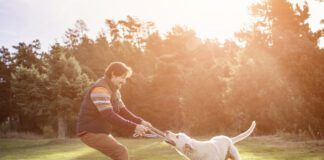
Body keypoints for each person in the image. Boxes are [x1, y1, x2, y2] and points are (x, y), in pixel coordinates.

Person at [77, 62, 152, 160]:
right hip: (90, 132)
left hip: (100, 131)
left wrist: (141, 121)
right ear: (113, 74)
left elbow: (123, 111)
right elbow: (109, 115)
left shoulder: (115, 91)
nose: (124, 81)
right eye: (122, 77)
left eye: (125, 78)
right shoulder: (100, 89)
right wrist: (134, 127)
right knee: (120, 151)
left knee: (118, 154)